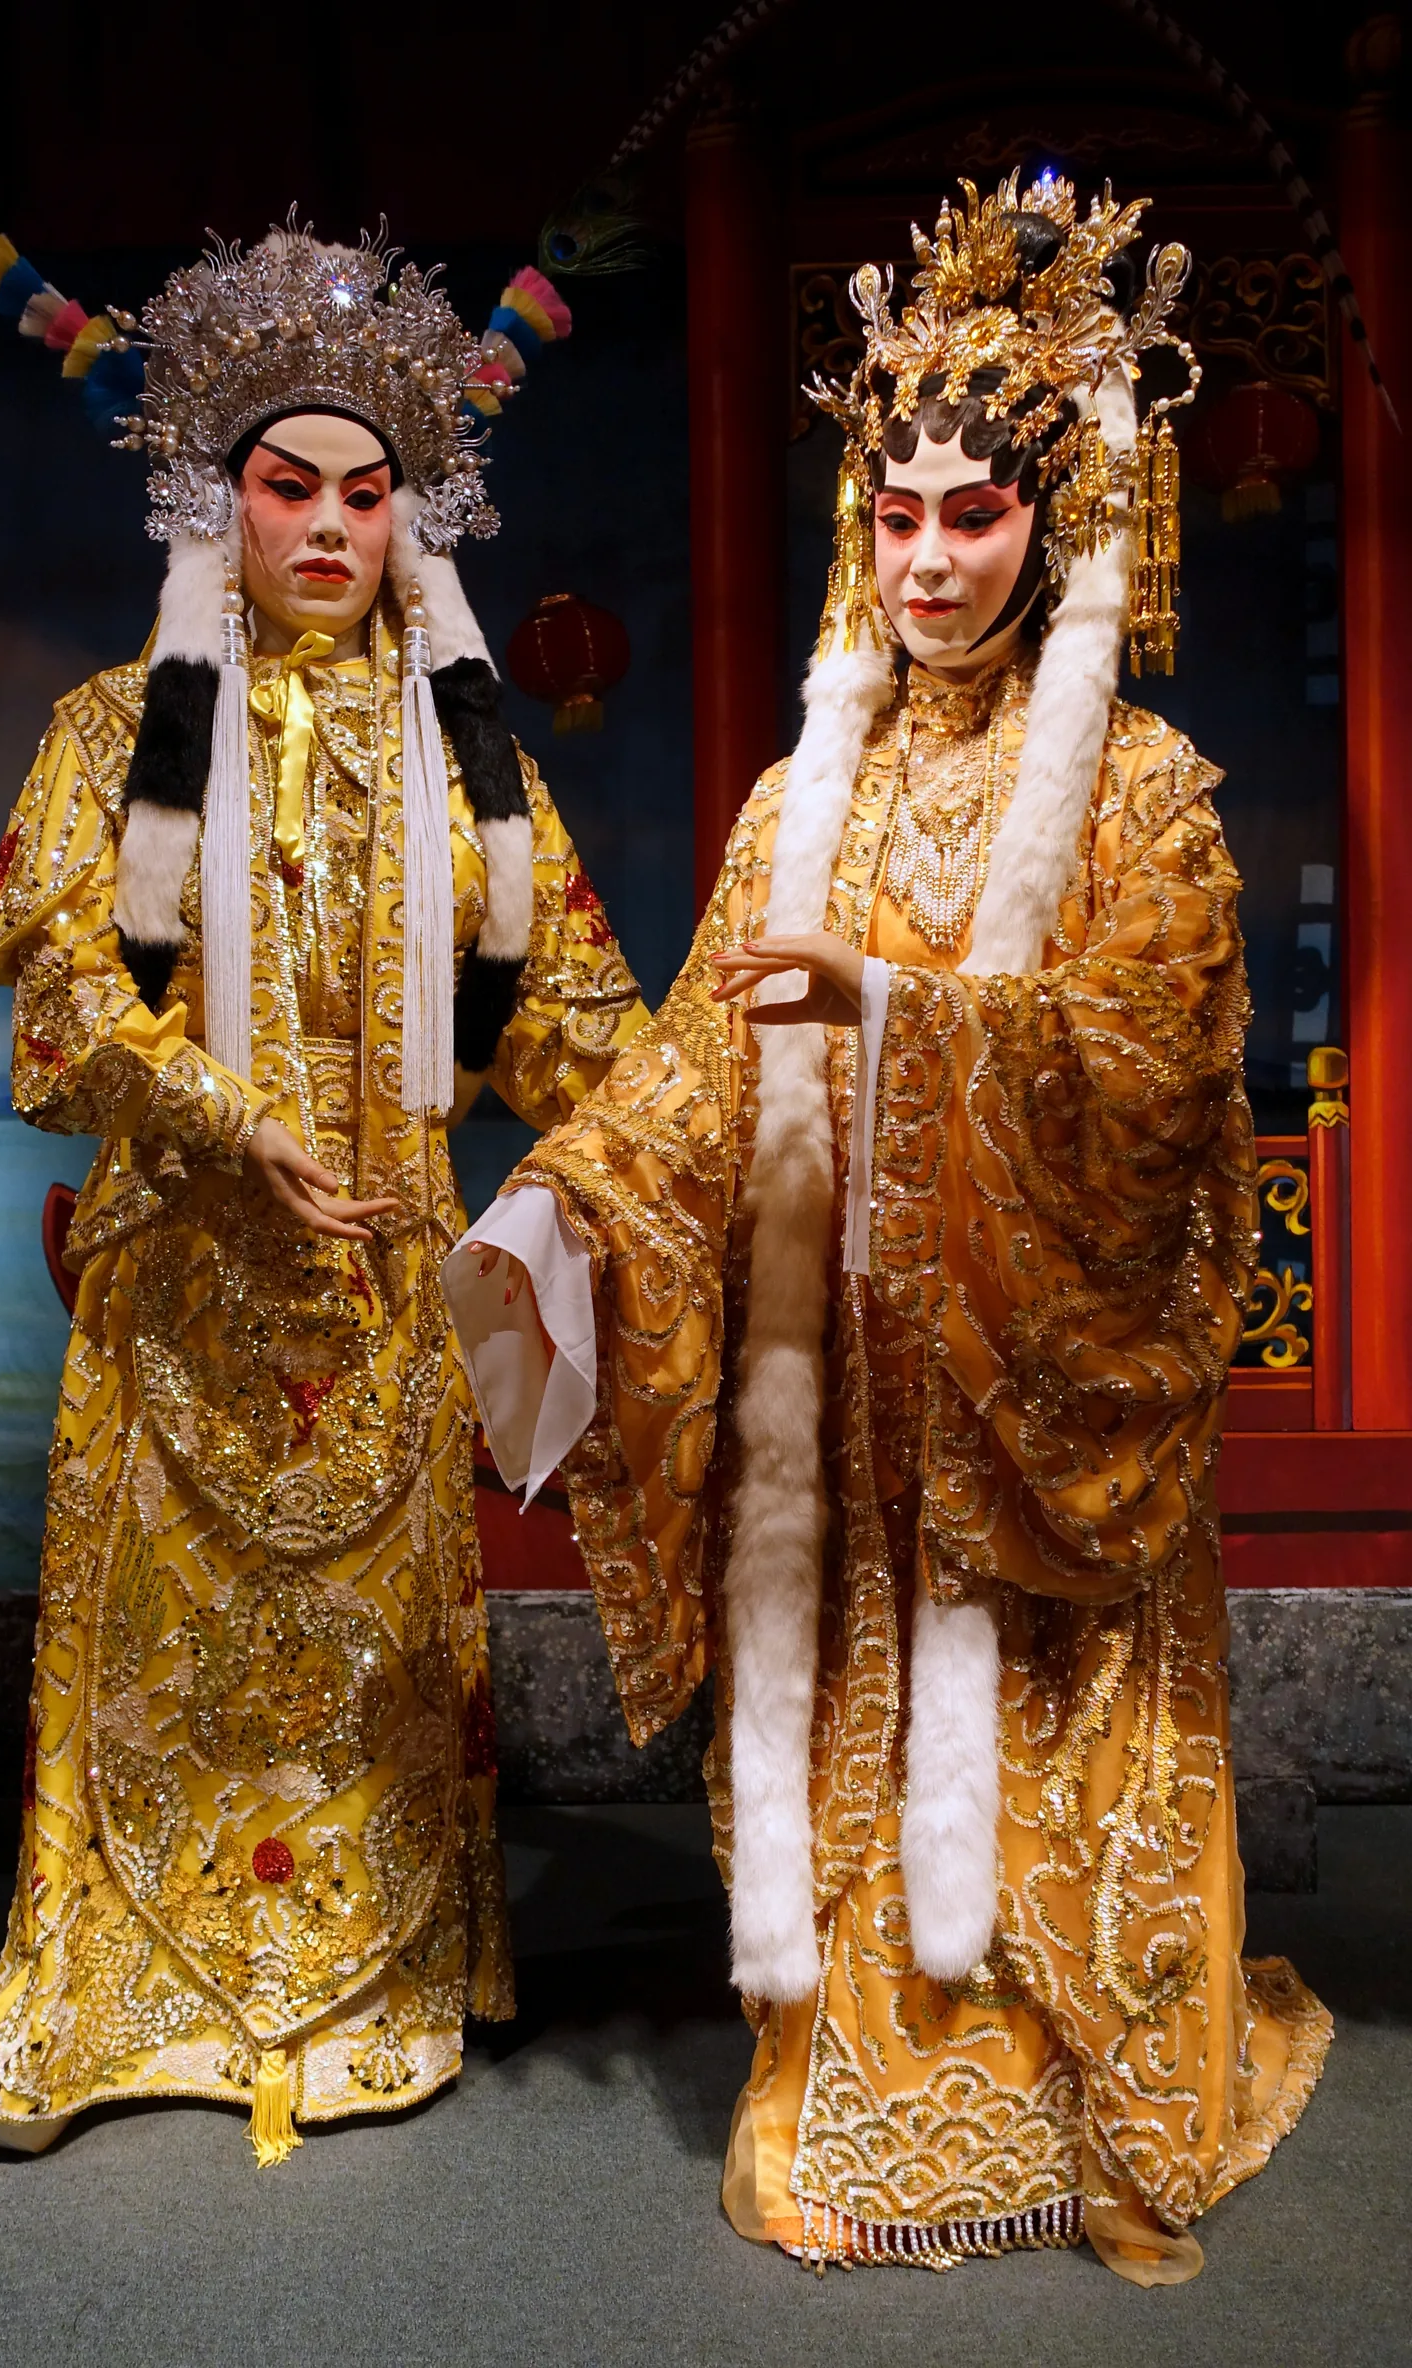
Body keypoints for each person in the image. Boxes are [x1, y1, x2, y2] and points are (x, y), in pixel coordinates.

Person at [444, 173, 1329, 2281]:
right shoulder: (793, 803)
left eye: (977, 517)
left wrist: (908, 1016)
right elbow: (693, 1067)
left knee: (1036, 1744)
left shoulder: (1144, 793)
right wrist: (563, 1201)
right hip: (839, 1403)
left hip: (1026, 1384)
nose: (929, 562)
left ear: (1059, 522)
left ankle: (1068, 2061)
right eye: (899, 514)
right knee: (852, 1731)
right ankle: (842, 2048)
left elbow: (1151, 1079)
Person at [0, 223, 642, 2161]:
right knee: (151, 1658)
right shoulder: (115, 728)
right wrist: (209, 1107)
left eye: (363, 492)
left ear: (410, 517)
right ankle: (104, 1994)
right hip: (177, 1284)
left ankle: (368, 1986)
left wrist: (713, 1116)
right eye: (287, 486)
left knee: (361, 1681)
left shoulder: (471, 766)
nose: (329, 526)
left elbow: (580, 1029)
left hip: (385, 1296)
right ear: (221, 504)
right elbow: (62, 1011)